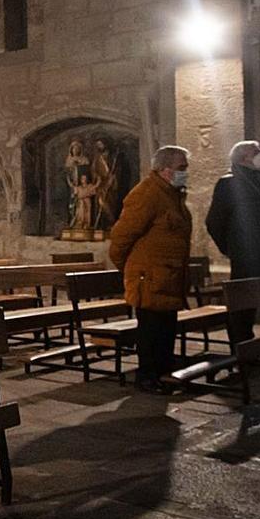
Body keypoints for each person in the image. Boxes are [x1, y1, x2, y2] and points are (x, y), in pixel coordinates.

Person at [109, 145, 192, 394]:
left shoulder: (172, 194)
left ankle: (163, 374)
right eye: (181, 168)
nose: (185, 173)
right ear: (165, 169)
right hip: (150, 278)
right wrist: (133, 270)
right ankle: (147, 377)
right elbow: (121, 237)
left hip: (169, 277)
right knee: (150, 330)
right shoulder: (147, 194)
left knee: (166, 329)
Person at [206, 140, 260, 342]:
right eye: (256, 152)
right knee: (242, 302)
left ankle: (249, 343)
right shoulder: (229, 183)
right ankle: (241, 345)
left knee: (254, 300)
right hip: (244, 253)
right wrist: (232, 248)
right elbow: (215, 222)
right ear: (243, 158)